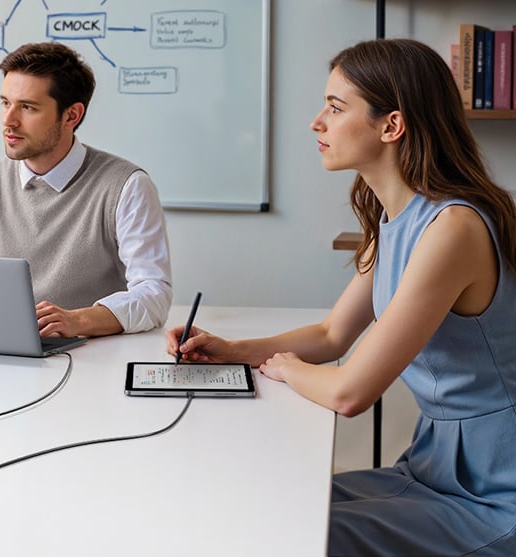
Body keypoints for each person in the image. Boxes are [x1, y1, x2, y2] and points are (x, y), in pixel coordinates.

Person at [166, 38, 516, 555]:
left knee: (296, 535)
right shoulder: (392, 217)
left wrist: (284, 367)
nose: (317, 122)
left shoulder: (453, 228)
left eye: (335, 107)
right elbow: (332, 336)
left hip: (493, 491)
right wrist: (232, 350)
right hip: (431, 466)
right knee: (268, 506)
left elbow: (350, 393)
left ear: (390, 126)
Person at [0, 41, 171, 339]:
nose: (9, 121)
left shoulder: (126, 186)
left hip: (93, 358)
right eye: (5, 103)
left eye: (27, 107)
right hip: (2, 348)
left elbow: (154, 293)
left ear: (72, 115)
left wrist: (78, 320)